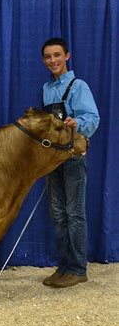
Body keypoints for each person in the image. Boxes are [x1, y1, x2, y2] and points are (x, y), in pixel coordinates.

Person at [40, 38, 100, 288]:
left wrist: (78, 123)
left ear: (67, 56)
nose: (53, 60)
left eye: (57, 55)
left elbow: (92, 118)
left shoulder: (78, 86)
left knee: (74, 213)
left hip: (73, 157)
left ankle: (78, 268)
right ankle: (64, 266)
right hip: (54, 159)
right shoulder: (46, 88)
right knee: (58, 214)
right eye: (47, 57)